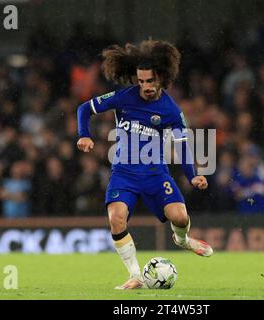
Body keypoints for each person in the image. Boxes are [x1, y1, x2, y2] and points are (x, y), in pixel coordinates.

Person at [76, 40, 213, 290]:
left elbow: (182, 146)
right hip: (124, 174)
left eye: (150, 81)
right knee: (116, 218)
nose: (145, 87)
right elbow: (85, 108)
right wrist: (84, 134)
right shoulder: (124, 97)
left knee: (180, 217)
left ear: (161, 77)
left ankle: (182, 240)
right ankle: (136, 276)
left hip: (155, 174)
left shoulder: (171, 110)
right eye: (141, 81)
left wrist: (192, 175)